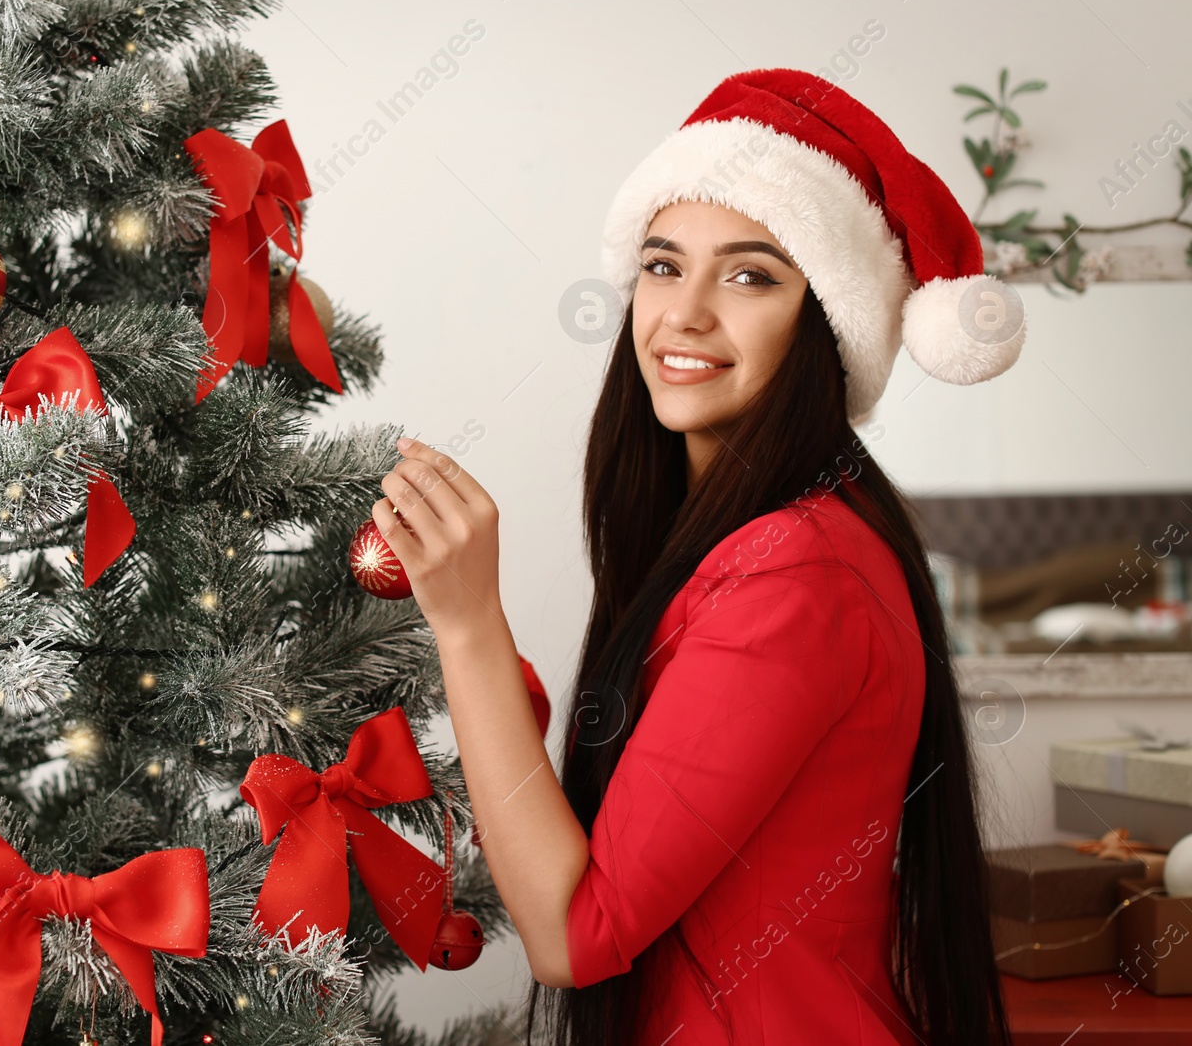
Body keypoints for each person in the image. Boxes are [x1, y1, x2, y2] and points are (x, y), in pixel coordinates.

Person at [372, 68, 1026, 1044]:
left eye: (751, 273)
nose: (683, 313)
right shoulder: (764, 541)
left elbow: (569, 933)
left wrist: (467, 624)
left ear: (824, 323)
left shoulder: (793, 575)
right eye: (663, 264)